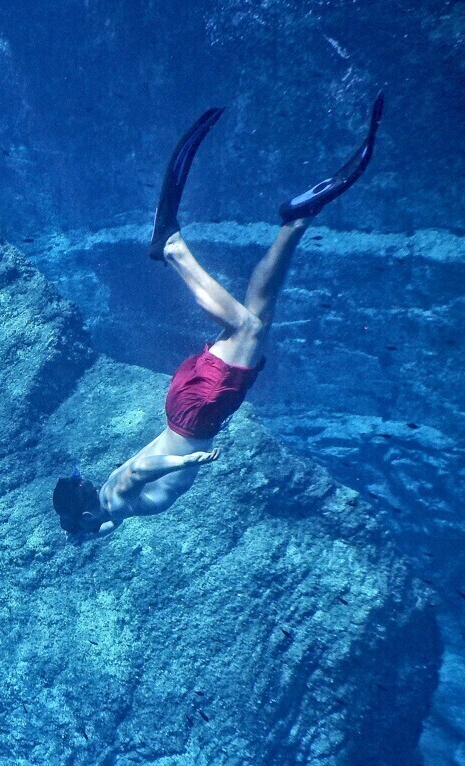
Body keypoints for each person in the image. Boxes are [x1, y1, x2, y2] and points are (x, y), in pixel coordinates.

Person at [55, 93, 384, 536]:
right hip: (186, 410)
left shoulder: (115, 498)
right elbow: (106, 513)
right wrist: (93, 525)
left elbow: (140, 473)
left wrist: (188, 460)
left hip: (197, 419)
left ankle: (172, 249)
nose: (92, 534)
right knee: (258, 319)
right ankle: (296, 221)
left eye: (86, 529)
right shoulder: (108, 502)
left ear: (89, 515)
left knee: (246, 326)